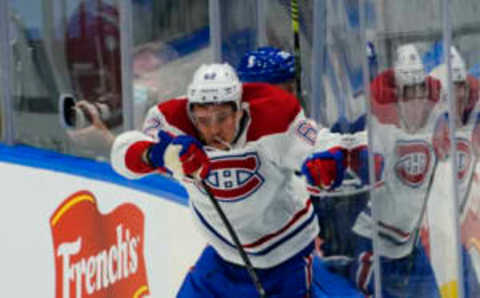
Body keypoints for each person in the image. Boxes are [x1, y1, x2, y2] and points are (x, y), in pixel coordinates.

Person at [110, 62, 363, 297]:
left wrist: (328, 160)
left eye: (222, 118)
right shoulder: (173, 126)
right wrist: (159, 155)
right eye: (203, 121)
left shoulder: (273, 118)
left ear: (239, 111)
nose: (213, 130)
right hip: (223, 256)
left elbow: (321, 142)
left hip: (285, 255)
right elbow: (122, 153)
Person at [348, 43, 444, 297]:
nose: (415, 101)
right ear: (398, 95)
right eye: (408, 93)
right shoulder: (379, 128)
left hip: (411, 244)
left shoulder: (437, 122)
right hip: (375, 245)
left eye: (420, 91)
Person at [429, 45, 480, 298]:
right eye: (452, 86)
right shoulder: (427, 128)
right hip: (442, 238)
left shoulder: (474, 117)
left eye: (461, 85)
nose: (458, 93)